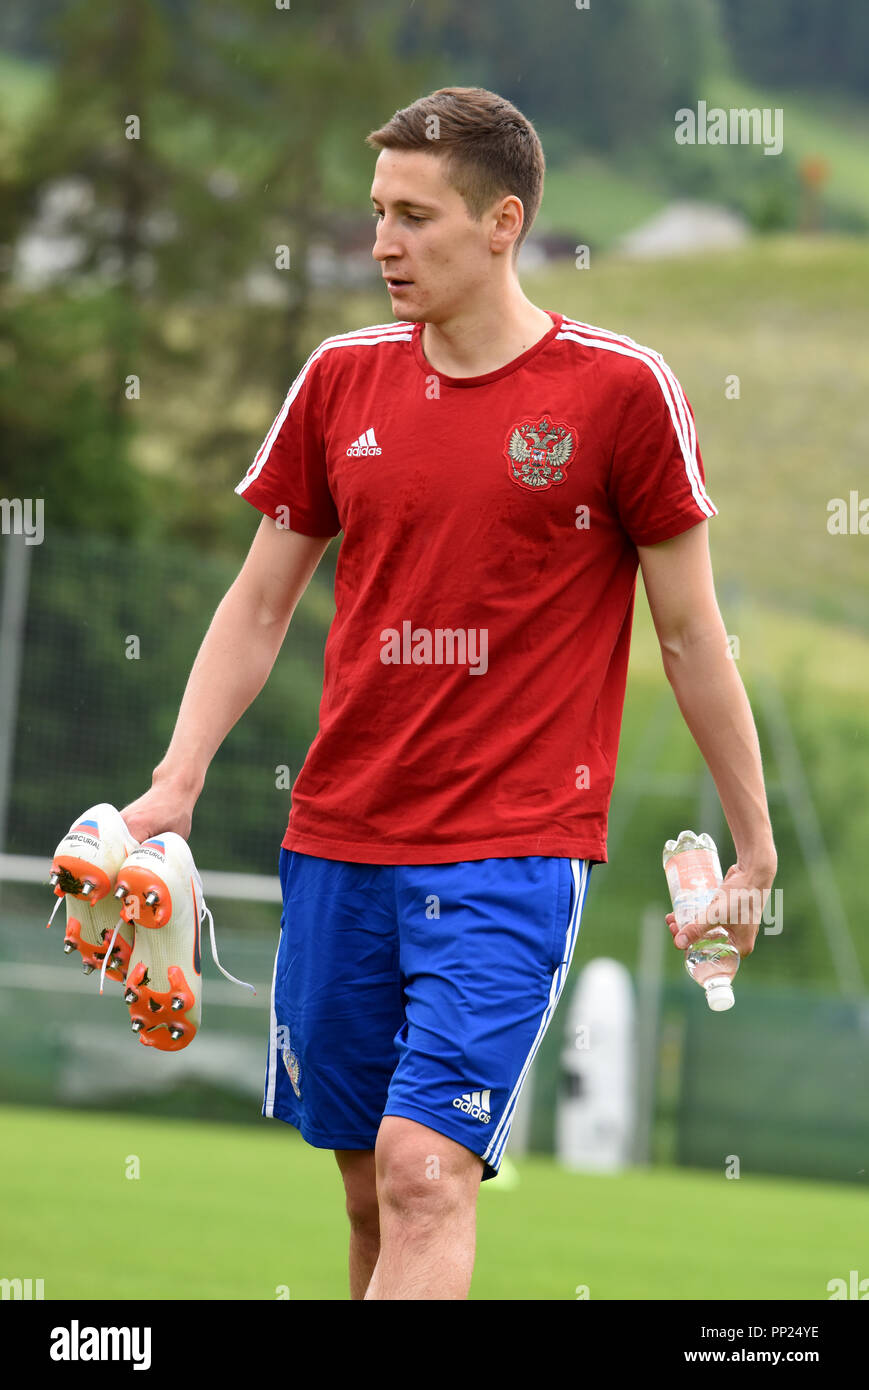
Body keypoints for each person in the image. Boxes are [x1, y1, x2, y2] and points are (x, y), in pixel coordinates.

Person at [120, 86, 777, 1301]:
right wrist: (178, 779)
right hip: (338, 839)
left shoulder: (619, 393)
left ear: (500, 223)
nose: (381, 243)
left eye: (414, 217)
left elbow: (690, 637)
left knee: (430, 1173)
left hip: (511, 852)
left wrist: (751, 844)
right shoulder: (338, 381)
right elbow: (260, 604)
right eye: (376, 212)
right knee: (371, 1186)